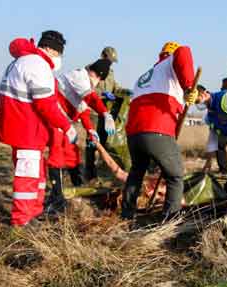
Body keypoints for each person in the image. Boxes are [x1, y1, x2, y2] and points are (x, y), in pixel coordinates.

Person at [0, 30, 77, 227]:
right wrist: (67, 126)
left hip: (26, 130)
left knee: (37, 174)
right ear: (49, 49)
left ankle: (34, 212)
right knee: (28, 176)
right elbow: (45, 105)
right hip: (26, 130)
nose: (59, 59)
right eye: (58, 53)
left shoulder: (24, 61)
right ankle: (21, 221)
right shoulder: (37, 65)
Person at [121, 41, 196, 221]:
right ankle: (169, 221)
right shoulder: (172, 61)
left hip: (134, 133)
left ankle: (126, 215)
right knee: (176, 176)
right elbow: (183, 51)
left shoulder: (145, 76)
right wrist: (188, 86)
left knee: (137, 172)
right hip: (157, 129)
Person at [44, 60, 115, 215]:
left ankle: (80, 190)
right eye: (99, 79)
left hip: (64, 123)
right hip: (54, 117)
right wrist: (105, 113)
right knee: (56, 157)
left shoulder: (86, 85)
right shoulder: (79, 77)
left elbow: (83, 111)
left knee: (72, 157)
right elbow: (90, 99)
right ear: (98, 76)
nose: (97, 83)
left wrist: (90, 130)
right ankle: (56, 198)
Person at [87, 46, 122, 180]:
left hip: (105, 113)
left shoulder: (111, 72)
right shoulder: (91, 68)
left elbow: (114, 86)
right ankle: (89, 174)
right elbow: (88, 89)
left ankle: (103, 170)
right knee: (92, 143)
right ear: (102, 55)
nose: (110, 62)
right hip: (93, 112)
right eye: (109, 59)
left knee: (104, 142)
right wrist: (102, 94)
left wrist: (121, 91)